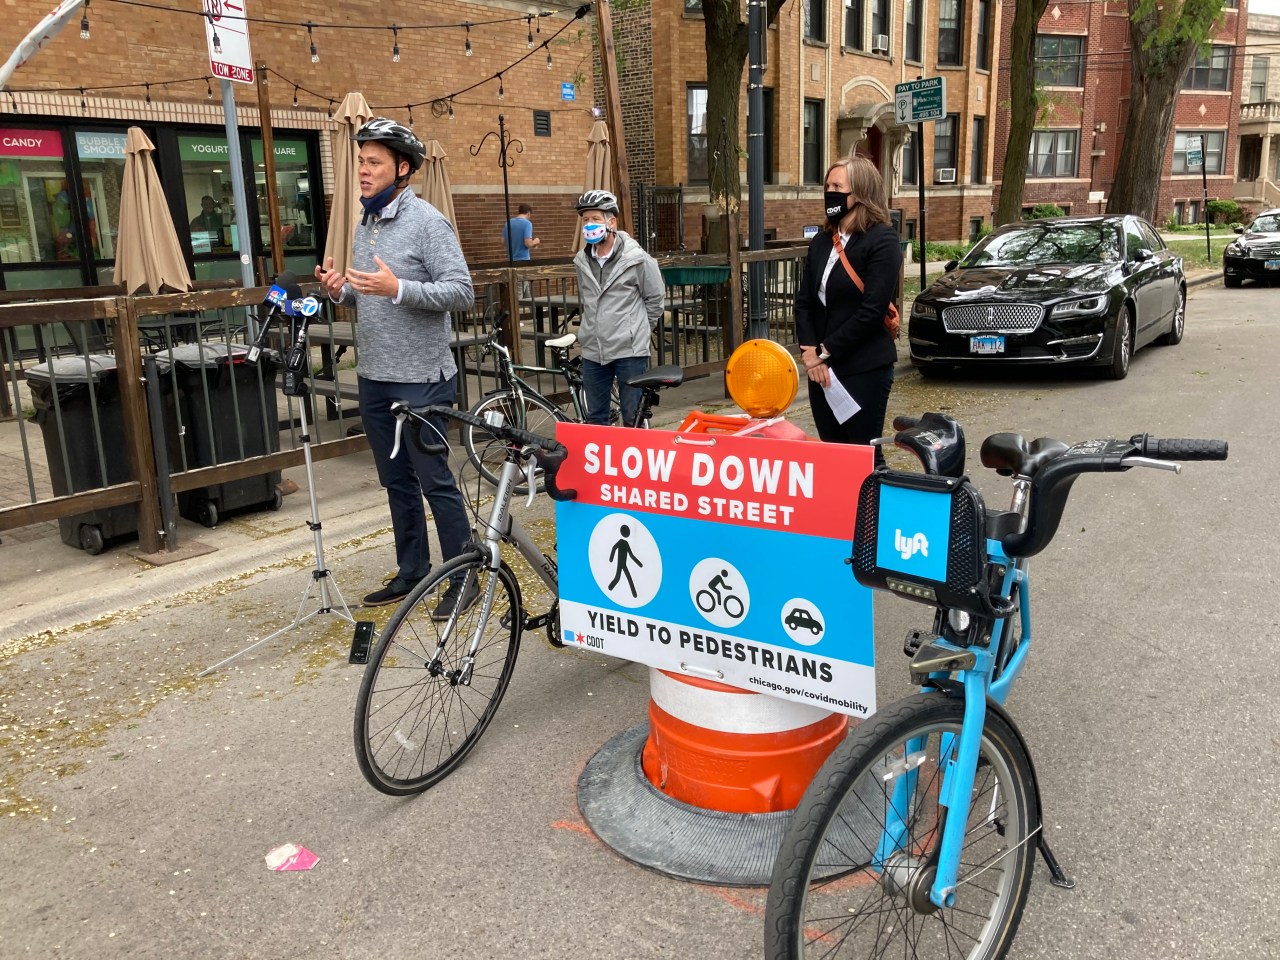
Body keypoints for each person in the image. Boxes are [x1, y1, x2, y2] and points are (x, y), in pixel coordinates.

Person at [313, 117, 477, 615]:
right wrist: (341, 292)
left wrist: (400, 289)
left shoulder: (427, 222)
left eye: (373, 162)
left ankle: (465, 575)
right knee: (395, 479)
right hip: (375, 375)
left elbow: (462, 292)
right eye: (360, 161)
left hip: (422, 377)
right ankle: (413, 572)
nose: (362, 170)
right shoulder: (365, 222)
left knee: (435, 481)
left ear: (401, 168)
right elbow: (371, 297)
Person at [795, 154, 901, 454]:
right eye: (827, 185)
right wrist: (809, 352)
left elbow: (871, 311)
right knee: (834, 456)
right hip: (820, 371)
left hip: (863, 368)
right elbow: (804, 302)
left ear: (861, 193)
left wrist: (824, 352)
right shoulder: (821, 241)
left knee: (862, 457)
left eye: (838, 186)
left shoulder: (882, 240)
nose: (830, 192)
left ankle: (873, 503)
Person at [571, 189, 664, 428]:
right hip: (593, 351)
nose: (589, 224)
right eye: (585, 220)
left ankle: (638, 464)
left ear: (611, 222)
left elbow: (655, 299)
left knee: (633, 417)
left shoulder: (638, 259)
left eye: (595, 219)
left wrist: (638, 330)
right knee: (596, 419)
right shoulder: (582, 262)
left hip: (629, 352)